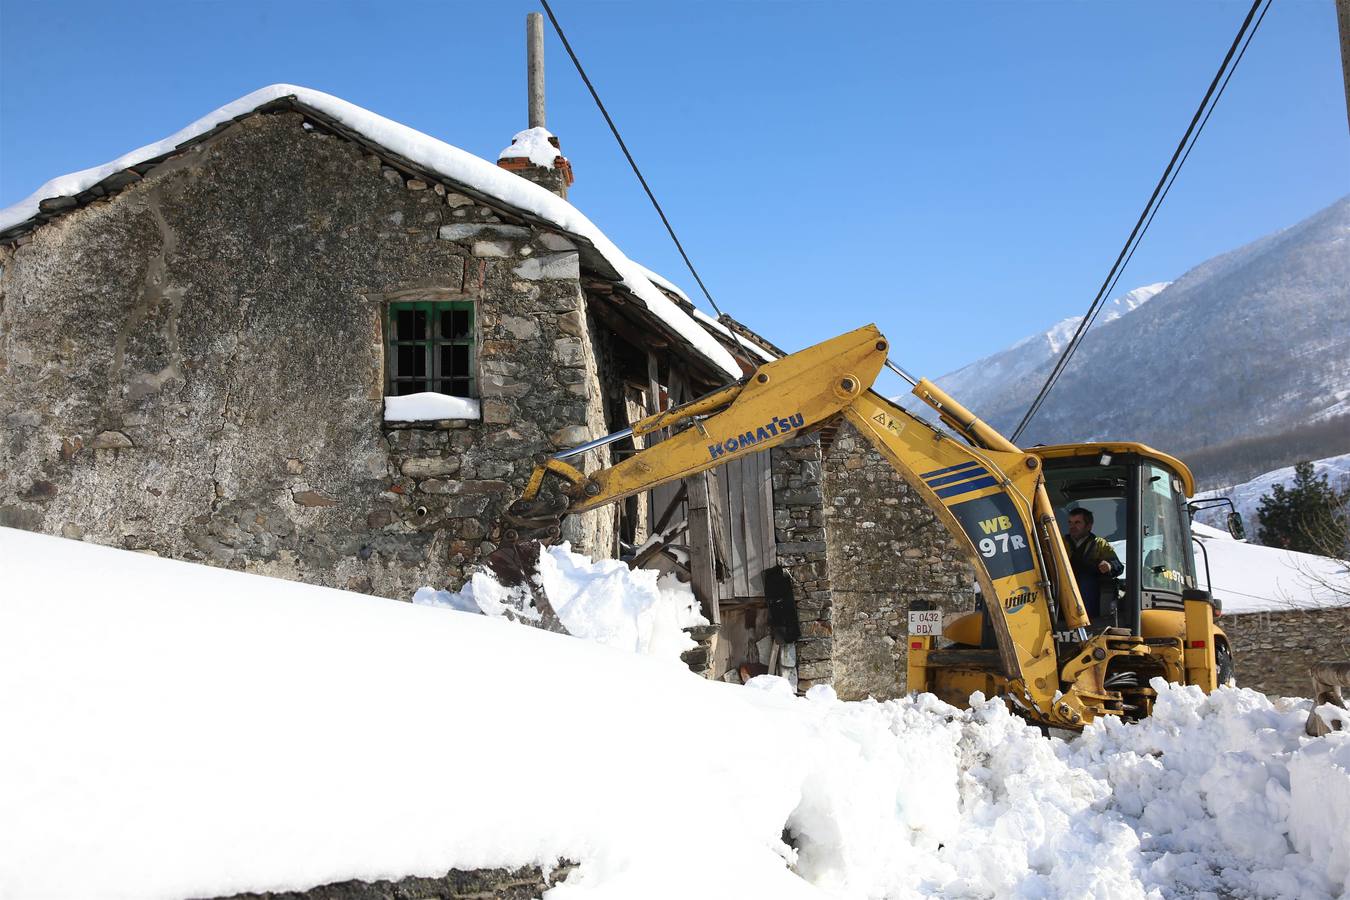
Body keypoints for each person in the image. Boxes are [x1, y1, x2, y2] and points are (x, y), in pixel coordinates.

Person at [1063, 507, 1124, 622]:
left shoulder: (1099, 544)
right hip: (1064, 585)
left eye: (1077, 522)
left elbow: (1118, 566)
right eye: (1070, 522)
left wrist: (1109, 566)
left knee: (1087, 582)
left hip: (1089, 588)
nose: (1072, 526)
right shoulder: (1060, 542)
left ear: (1089, 526)